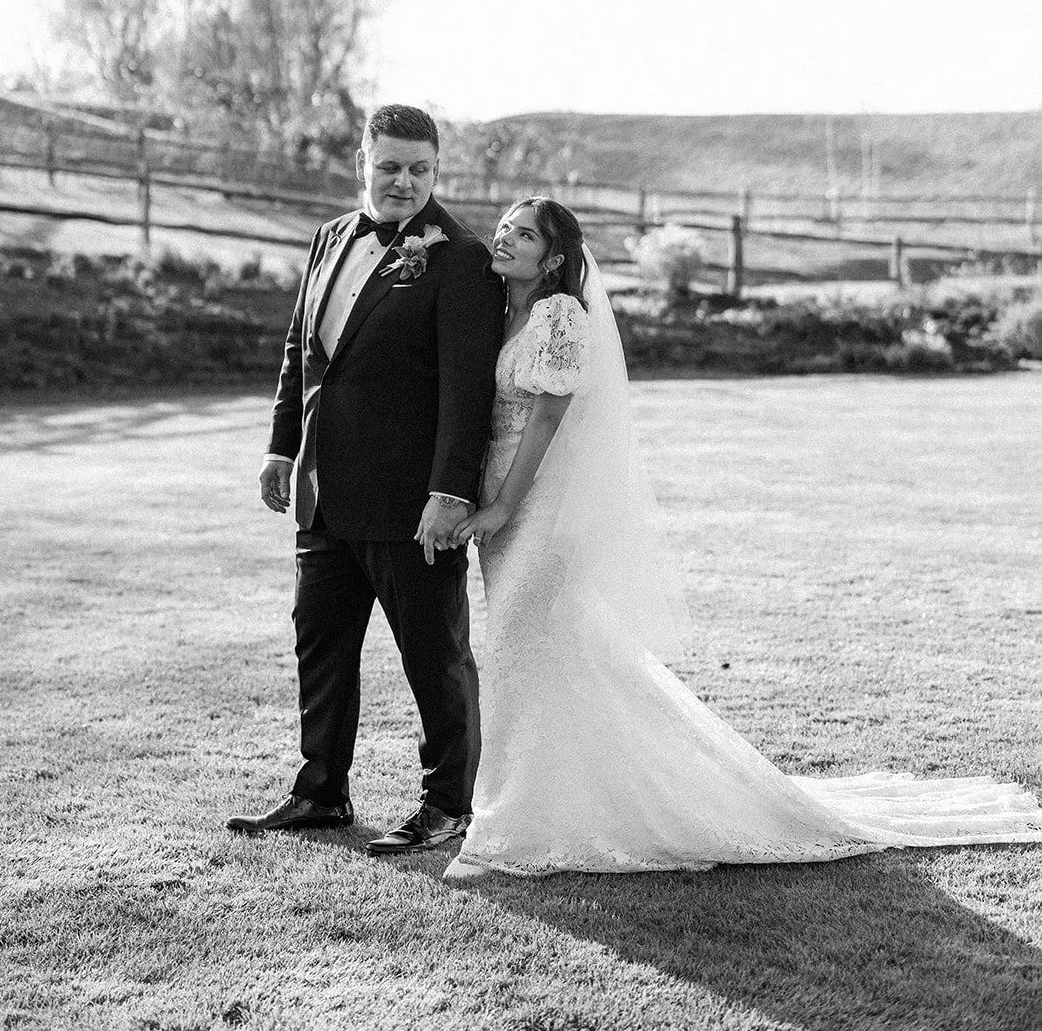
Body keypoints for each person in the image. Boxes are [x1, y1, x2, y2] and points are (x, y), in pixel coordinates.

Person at [443, 198, 1042, 880]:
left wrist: (501, 507)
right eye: (504, 228)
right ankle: (563, 800)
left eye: (524, 234)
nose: (505, 238)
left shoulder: (558, 316)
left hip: (537, 504)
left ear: (552, 259)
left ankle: (512, 828)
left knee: (524, 650)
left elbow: (547, 418)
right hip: (500, 498)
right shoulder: (501, 312)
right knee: (548, 654)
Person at [227, 105, 504, 855]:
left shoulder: (460, 259)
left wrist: (449, 495)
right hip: (323, 493)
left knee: (433, 658)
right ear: (362, 162)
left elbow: (465, 392)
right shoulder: (329, 238)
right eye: (389, 167)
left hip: (411, 506)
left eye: (420, 169)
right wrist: (280, 448)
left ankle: (447, 806)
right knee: (319, 645)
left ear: (436, 171)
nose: (404, 182)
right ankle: (320, 793)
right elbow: (302, 352)